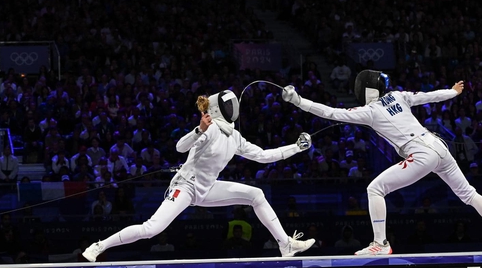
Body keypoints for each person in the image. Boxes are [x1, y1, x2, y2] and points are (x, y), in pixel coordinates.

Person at [282, 70, 482, 255]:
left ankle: (380, 243)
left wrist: (298, 101)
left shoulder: (370, 111)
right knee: (469, 194)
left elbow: (331, 113)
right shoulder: (399, 96)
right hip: (439, 146)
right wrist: (453, 92)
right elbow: (429, 97)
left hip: (421, 154)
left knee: (375, 189)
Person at [82, 91, 315, 261]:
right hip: (186, 186)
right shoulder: (210, 129)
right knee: (151, 229)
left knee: (257, 194)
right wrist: (198, 130)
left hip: (208, 188)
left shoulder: (234, 137)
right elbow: (180, 148)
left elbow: (264, 155)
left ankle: (285, 244)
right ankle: (99, 246)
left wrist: (296, 147)